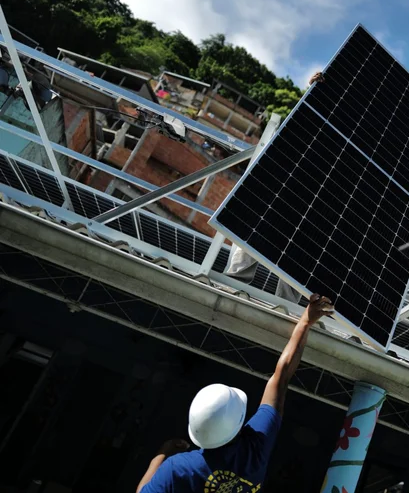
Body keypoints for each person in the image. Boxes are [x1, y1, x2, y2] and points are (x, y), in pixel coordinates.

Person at [136, 294, 334, 493]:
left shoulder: (177, 469)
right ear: (238, 424)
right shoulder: (254, 448)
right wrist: (306, 321)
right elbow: (281, 377)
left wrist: (162, 454)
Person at [224, 71, 326, 304]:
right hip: (289, 179)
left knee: (302, 245)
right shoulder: (307, 125)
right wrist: (312, 90)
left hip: (316, 192)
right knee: (259, 227)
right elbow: (304, 119)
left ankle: (286, 306)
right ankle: (234, 284)